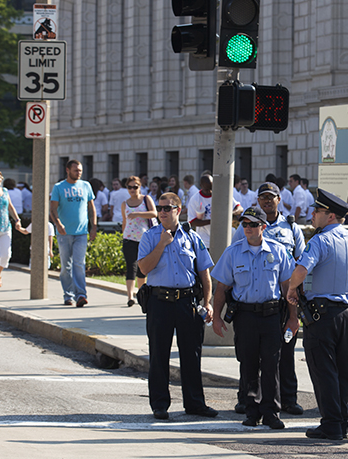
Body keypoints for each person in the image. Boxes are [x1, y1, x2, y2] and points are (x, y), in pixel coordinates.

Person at [287, 188, 348, 441]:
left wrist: (292, 289)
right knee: (342, 369)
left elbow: (302, 270)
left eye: (318, 211)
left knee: (323, 370)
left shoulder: (320, 240)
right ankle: (342, 420)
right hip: (346, 313)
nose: (313, 214)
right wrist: (347, 292)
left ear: (331, 216)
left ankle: (332, 423)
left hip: (322, 314)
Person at [212, 207, 295, 429]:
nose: (248, 228)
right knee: (248, 364)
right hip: (245, 316)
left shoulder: (278, 251)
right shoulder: (233, 252)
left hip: (271, 315)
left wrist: (293, 319)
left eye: (253, 224)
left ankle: (271, 412)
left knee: (271, 364)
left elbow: (289, 288)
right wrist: (217, 318)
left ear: (263, 227)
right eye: (244, 224)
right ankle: (252, 410)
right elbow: (221, 288)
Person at [137, 192, 218, 420]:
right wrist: (162, 245)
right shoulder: (151, 237)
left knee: (191, 355)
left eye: (167, 208)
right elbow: (143, 269)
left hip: (187, 302)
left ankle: (195, 403)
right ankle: (160, 404)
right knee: (159, 354)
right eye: (160, 208)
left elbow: (204, 273)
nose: (162, 212)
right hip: (159, 302)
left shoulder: (192, 238)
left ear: (178, 210)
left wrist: (208, 303)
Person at [232, 182, 306, 415]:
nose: (266, 201)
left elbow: (301, 262)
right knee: (249, 355)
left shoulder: (291, 227)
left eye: (270, 197)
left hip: (283, 300)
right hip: (252, 302)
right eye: (262, 197)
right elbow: (235, 258)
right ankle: (247, 398)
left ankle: (288, 398)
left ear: (279, 199)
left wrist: (296, 300)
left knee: (284, 350)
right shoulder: (246, 225)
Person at [50, 160, 97, 307]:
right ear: (68, 170)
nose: (79, 173)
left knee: (79, 264)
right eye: (76, 170)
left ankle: (81, 295)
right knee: (66, 266)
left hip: (81, 232)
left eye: (80, 170)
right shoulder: (59, 187)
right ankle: (68, 295)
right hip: (64, 233)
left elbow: (91, 208)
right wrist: (58, 224)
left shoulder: (86, 186)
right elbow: (53, 209)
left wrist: (93, 226)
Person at [121, 176, 157, 307]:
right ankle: (130, 296)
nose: (132, 189)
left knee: (142, 268)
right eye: (130, 187)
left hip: (144, 239)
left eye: (135, 187)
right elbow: (124, 222)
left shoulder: (146, 199)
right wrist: (123, 235)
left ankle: (141, 294)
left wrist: (137, 214)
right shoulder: (125, 203)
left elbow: (154, 213)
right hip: (129, 238)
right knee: (131, 267)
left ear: (139, 187)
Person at [188, 175, 243, 249]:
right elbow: (192, 222)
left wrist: (230, 213)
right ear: (201, 186)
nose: (210, 191)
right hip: (204, 241)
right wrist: (213, 221)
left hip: (222, 239)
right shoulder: (195, 199)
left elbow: (239, 208)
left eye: (211, 188)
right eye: (207, 189)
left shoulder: (221, 194)